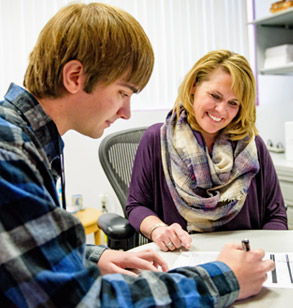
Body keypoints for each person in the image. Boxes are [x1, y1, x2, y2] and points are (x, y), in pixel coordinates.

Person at [0, 3, 275, 307]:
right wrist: (224, 278)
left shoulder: (25, 144)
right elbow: (83, 301)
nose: (127, 113)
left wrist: (95, 254)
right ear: (75, 77)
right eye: (124, 93)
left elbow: (33, 253)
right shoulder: (9, 156)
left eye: (234, 103)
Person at [126, 49, 288, 252]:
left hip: (243, 262)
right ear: (193, 86)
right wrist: (158, 229)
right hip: (183, 258)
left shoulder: (253, 147)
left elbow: (275, 216)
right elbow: (137, 206)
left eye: (233, 103)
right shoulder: (156, 140)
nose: (221, 110)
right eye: (215, 96)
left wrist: (264, 254)